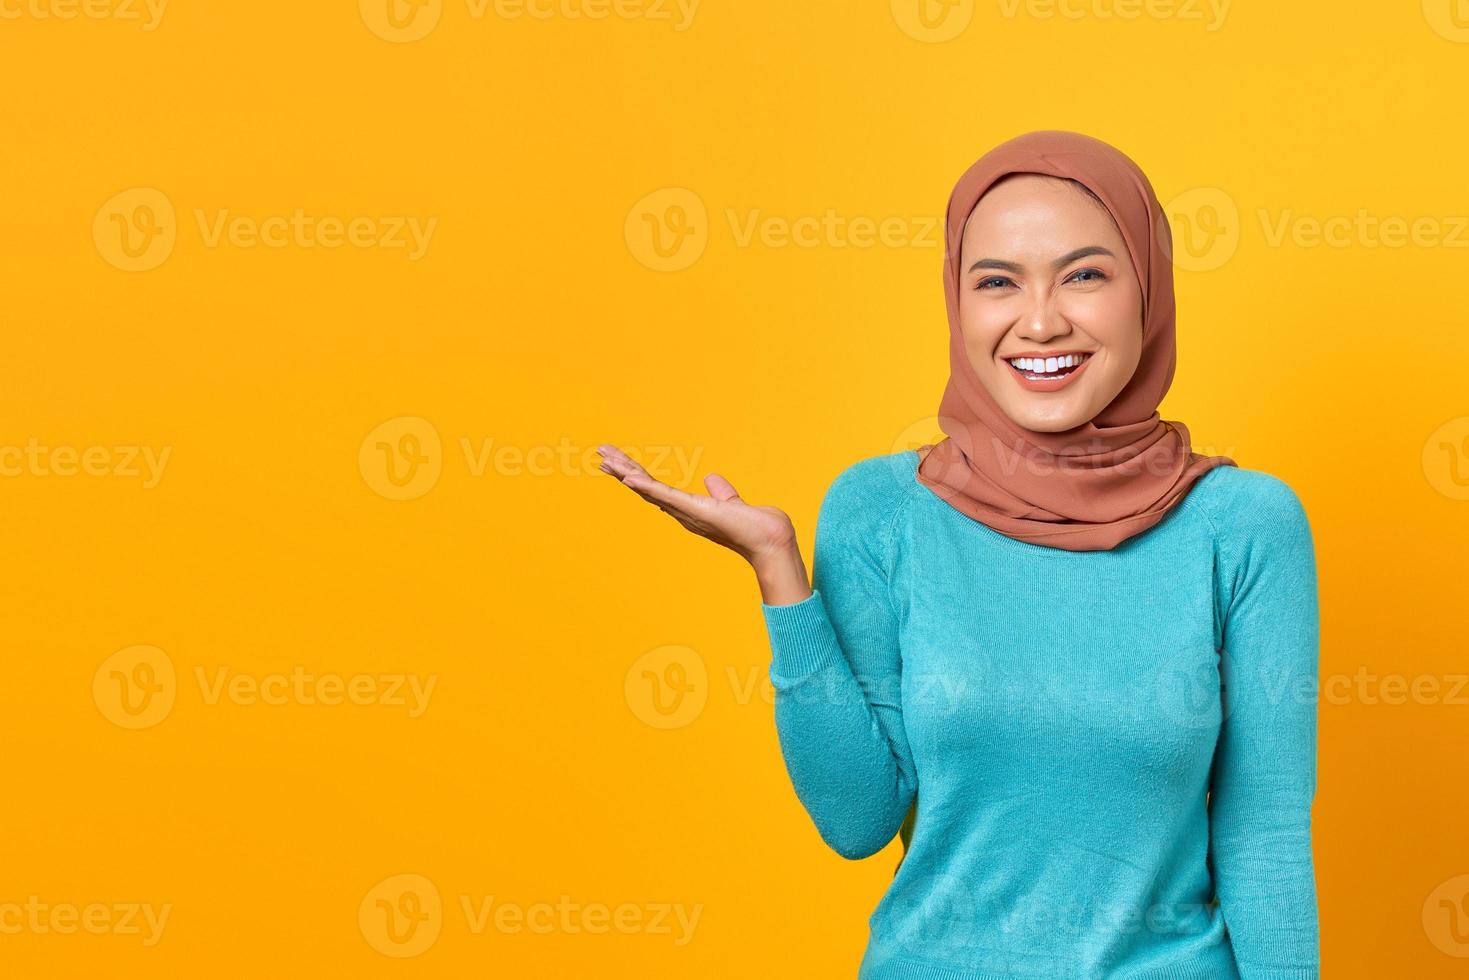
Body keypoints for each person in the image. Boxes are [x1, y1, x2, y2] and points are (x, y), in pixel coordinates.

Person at [597, 130, 1320, 979]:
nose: (1041, 320)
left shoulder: (1242, 525)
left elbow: (1263, 837)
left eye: (1085, 274)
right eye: (996, 282)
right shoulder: (879, 512)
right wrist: (780, 578)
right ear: (956, 300)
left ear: (1147, 292)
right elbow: (858, 820)